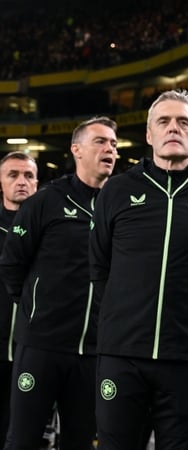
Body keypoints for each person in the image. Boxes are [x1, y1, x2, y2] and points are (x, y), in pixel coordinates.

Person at [88, 90, 188, 450]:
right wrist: (123, 320)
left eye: (184, 122)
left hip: (186, 358)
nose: (173, 129)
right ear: (149, 135)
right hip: (122, 356)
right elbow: (99, 266)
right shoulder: (117, 191)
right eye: (163, 121)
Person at [0, 117, 118, 450]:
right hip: (42, 346)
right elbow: (12, 265)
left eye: (113, 143)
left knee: (81, 441)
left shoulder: (121, 203)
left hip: (95, 351)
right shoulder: (45, 201)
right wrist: (37, 312)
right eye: (100, 141)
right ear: (76, 149)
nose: (109, 148)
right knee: (22, 438)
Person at [0, 152, 37, 444]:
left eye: (28, 176)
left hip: (33, 351)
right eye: (13, 175)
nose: (21, 182)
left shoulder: (49, 229)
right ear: (1, 181)